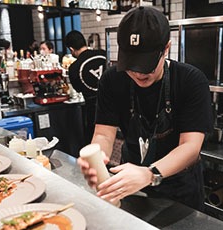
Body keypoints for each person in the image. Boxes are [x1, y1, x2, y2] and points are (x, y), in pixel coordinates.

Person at [77, 6, 213, 211]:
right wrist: (97, 159)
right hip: (130, 184)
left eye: (146, 64)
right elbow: (104, 134)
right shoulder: (111, 80)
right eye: (131, 64)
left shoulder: (190, 80)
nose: (139, 73)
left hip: (180, 192)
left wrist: (150, 174)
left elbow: (190, 147)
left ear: (166, 48)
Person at [65, 30, 107, 144]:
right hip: (115, 106)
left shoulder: (74, 68)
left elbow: (78, 89)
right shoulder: (104, 54)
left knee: (94, 144)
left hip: (94, 112)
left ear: (71, 49)